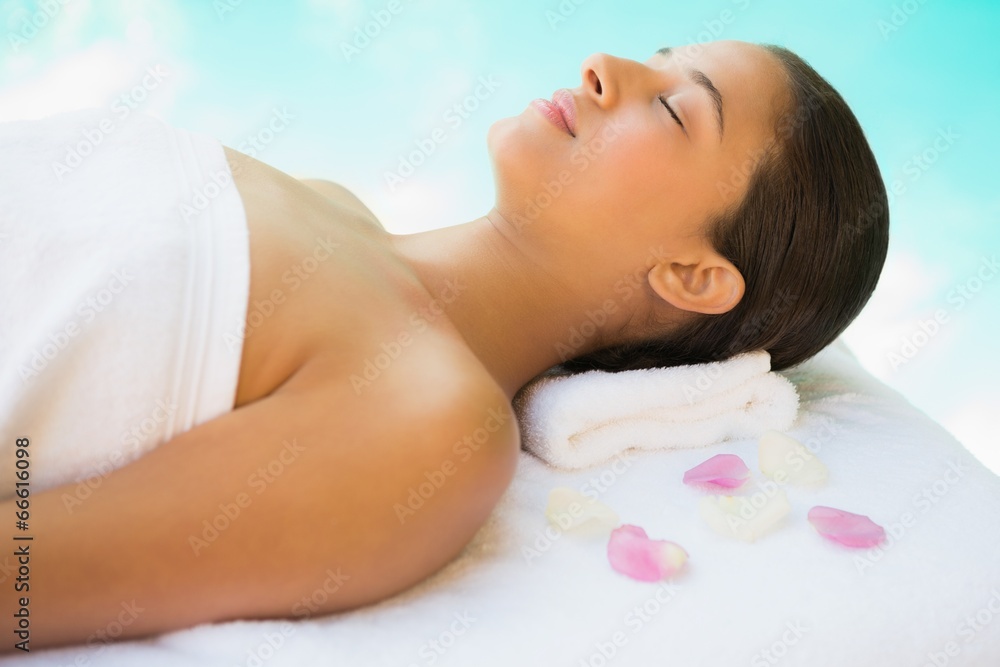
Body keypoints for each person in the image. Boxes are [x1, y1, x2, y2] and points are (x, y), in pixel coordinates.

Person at [1, 39, 888, 650]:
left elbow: (31, 574)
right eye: (651, 55)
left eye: (676, 110)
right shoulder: (329, 199)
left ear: (694, 276)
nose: (601, 66)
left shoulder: (433, 427)